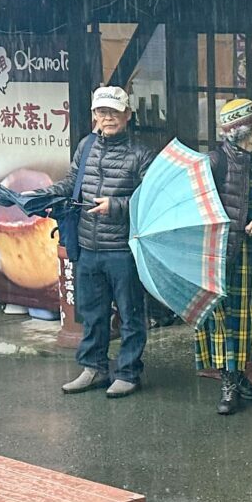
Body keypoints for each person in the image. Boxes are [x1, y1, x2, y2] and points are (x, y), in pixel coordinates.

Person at [61, 85, 154, 398]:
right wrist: (45, 194)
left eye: (114, 112)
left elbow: (151, 199)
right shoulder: (86, 146)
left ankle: (128, 372)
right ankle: (94, 368)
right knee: (92, 313)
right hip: (88, 245)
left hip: (123, 249)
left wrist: (116, 206)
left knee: (130, 315)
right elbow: (72, 183)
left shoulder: (141, 153)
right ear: (94, 117)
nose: (108, 118)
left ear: (127, 115)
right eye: (102, 112)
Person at [201, 99, 252, 415]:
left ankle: (241, 377)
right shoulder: (215, 162)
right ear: (245, 130)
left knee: (248, 319)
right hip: (222, 254)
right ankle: (228, 385)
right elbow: (198, 206)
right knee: (226, 321)